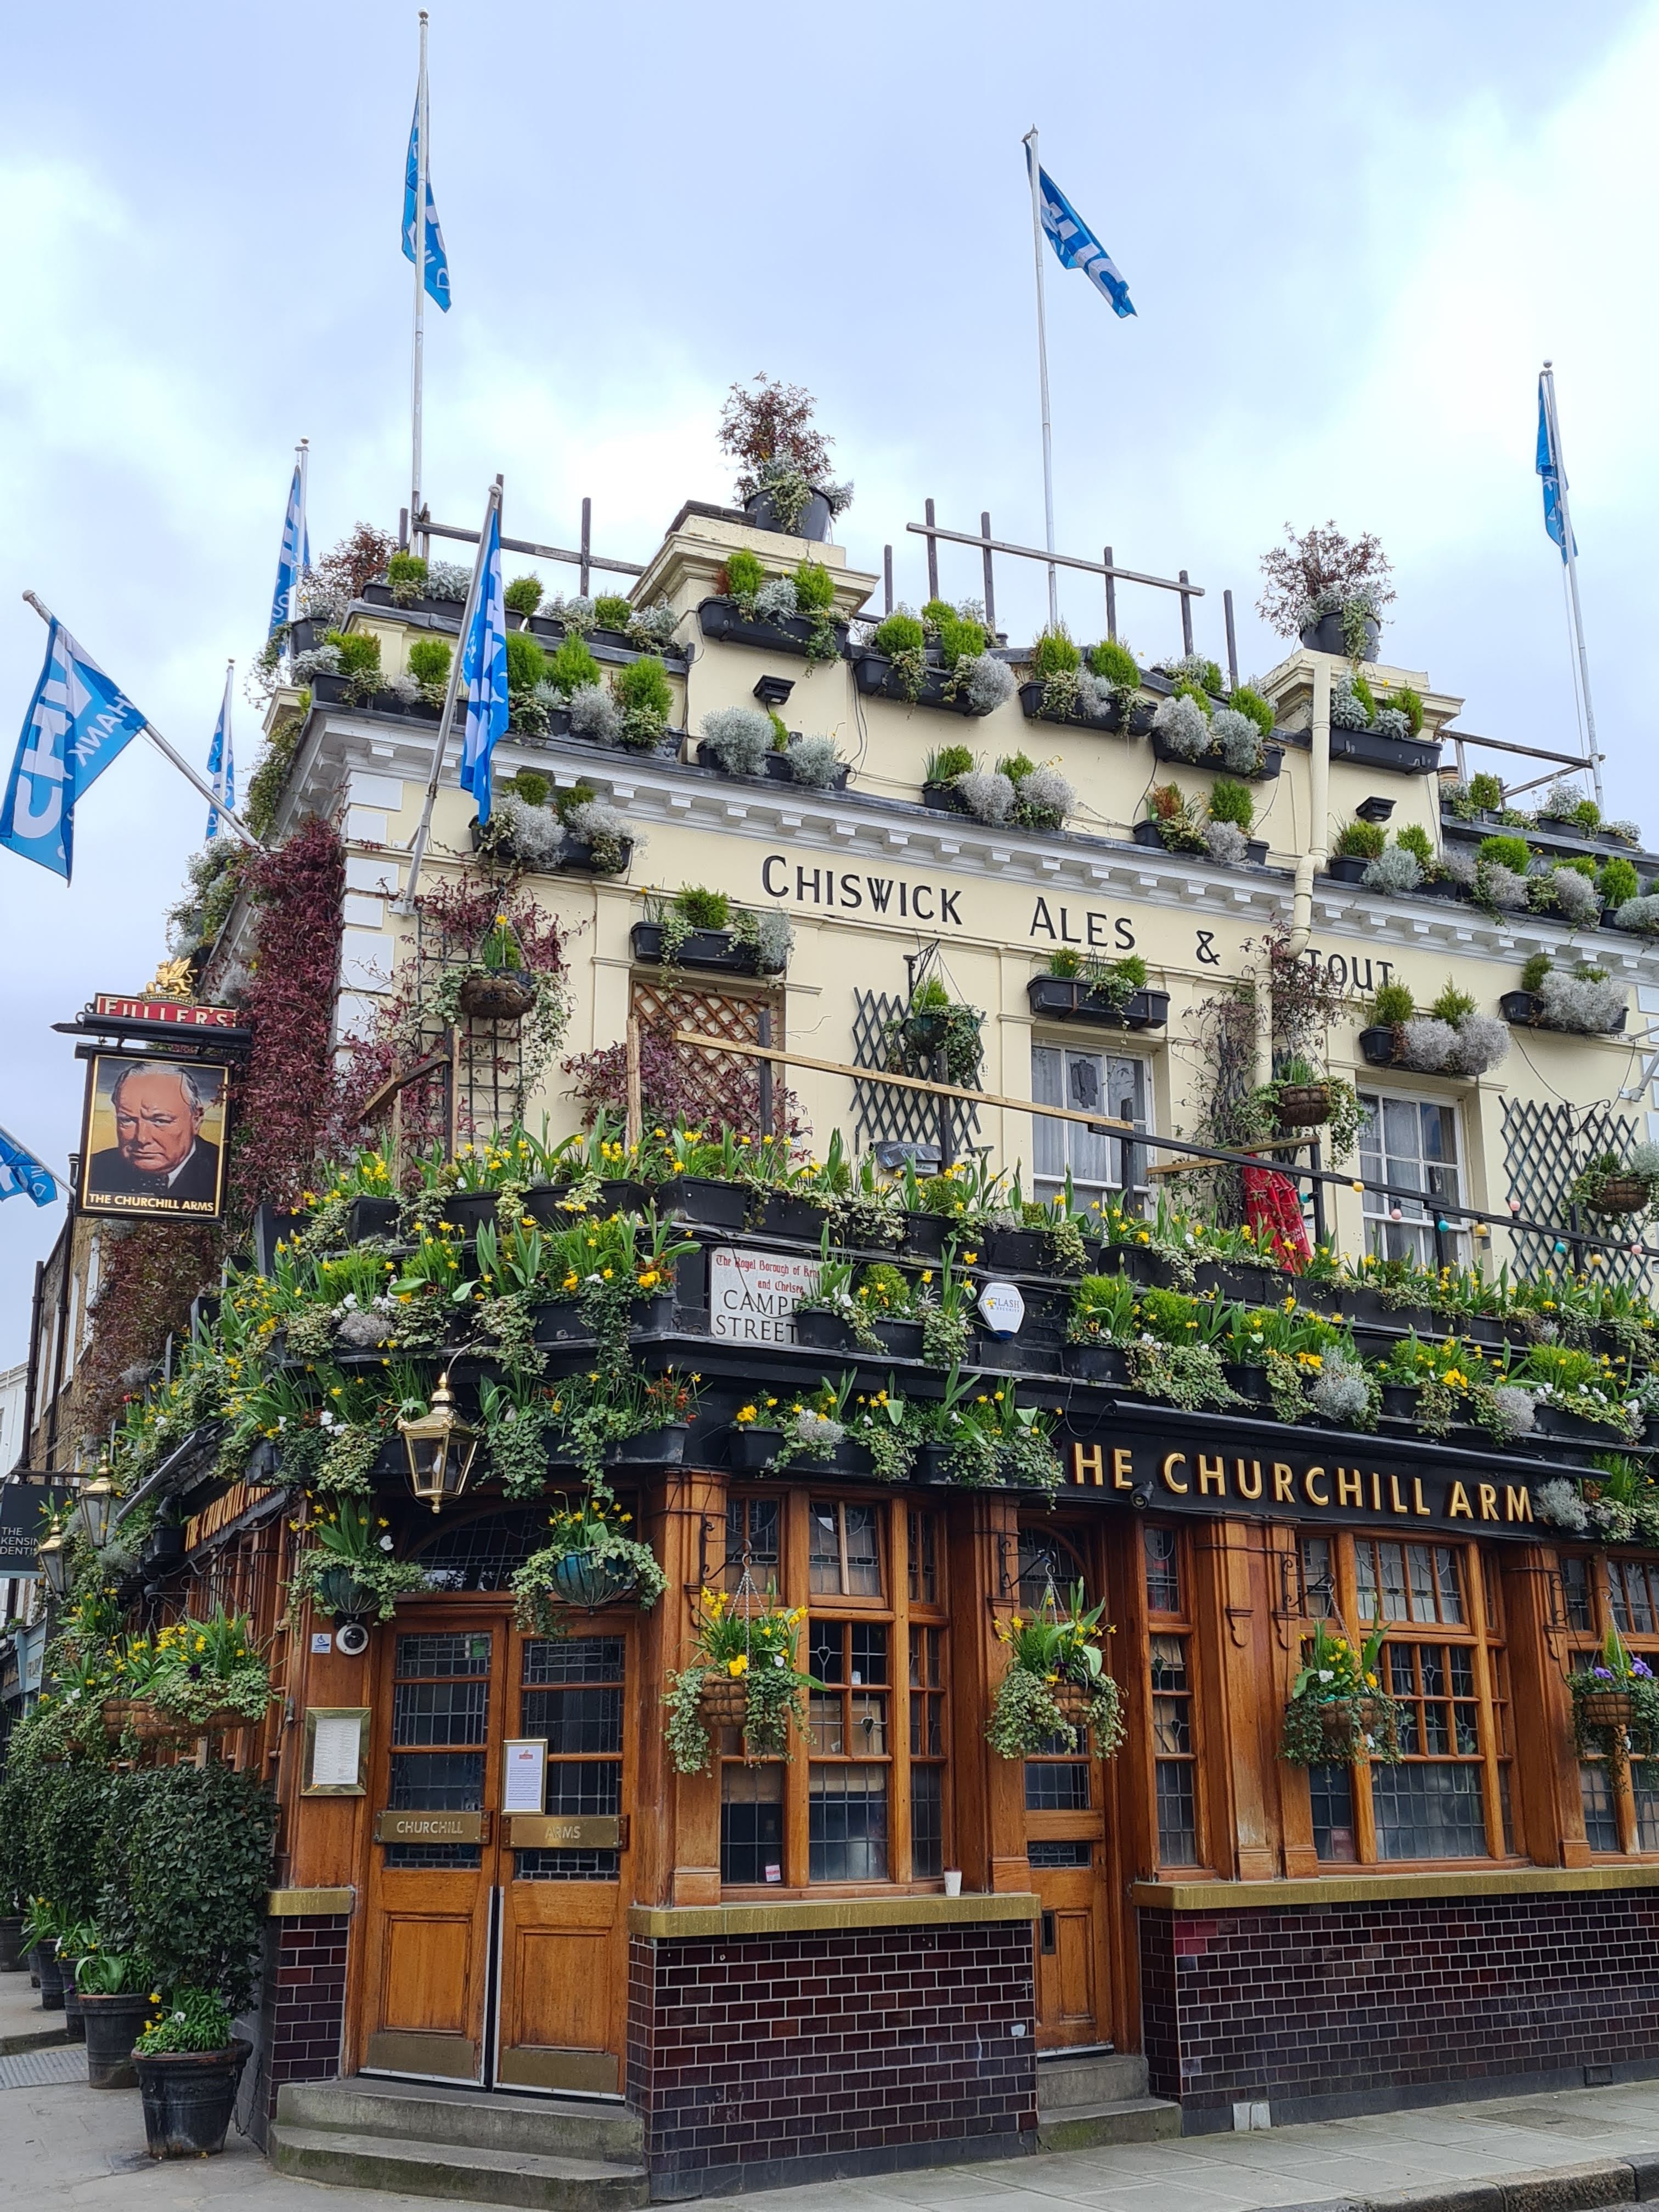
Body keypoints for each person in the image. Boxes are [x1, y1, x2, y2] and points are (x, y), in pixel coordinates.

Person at [86, 1064, 221, 1204]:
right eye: (127, 1120)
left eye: (160, 1121)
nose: (142, 1138)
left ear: (196, 1120)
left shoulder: (223, 1171)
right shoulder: (95, 1170)